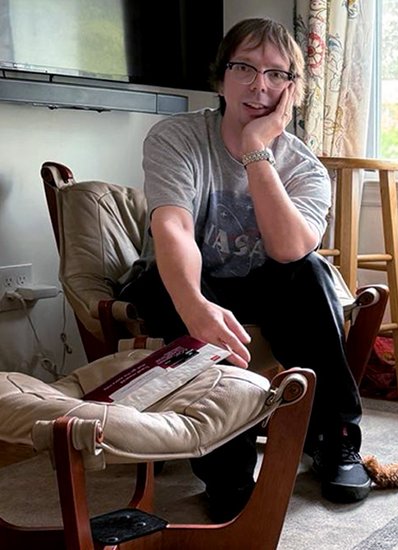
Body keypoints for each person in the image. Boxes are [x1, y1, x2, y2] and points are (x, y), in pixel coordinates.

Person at [119, 17, 370, 521]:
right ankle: (226, 470)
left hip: (263, 283)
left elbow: (288, 249)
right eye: (245, 68)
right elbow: (172, 229)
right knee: (162, 284)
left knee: (312, 273)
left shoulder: (303, 166)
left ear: (292, 91)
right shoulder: (176, 137)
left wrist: (259, 149)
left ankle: (334, 439)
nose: (260, 85)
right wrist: (196, 308)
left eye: (277, 75)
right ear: (220, 78)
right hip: (186, 280)